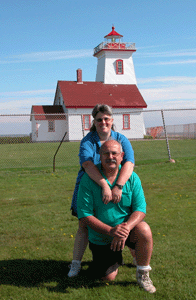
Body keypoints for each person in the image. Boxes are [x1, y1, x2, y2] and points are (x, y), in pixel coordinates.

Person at [77, 140, 156, 293]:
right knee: (108, 277)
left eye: (115, 153)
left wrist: (125, 228)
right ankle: (109, 261)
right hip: (103, 236)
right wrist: (111, 231)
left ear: (122, 156)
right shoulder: (89, 179)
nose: (110, 157)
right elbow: (85, 215)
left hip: (126, 232)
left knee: (144, 229)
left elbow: (140, 210)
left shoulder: (132, 178)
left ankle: (143, 274)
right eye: (106, 153)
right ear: (99, 156)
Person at [68, 104, 135, 277]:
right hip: (90, 185)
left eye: (106, 119)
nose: (103, 122)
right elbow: (87, 164)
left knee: (125, 218)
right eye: (99, 119)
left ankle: (137, 257)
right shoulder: (88, 141)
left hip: (118, 184)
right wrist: (105, 185)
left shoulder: (121, 139)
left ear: (112, 120)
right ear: (94, 121)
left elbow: (129, 163)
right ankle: (75, 264)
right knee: (84, 224)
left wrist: (118, 186)